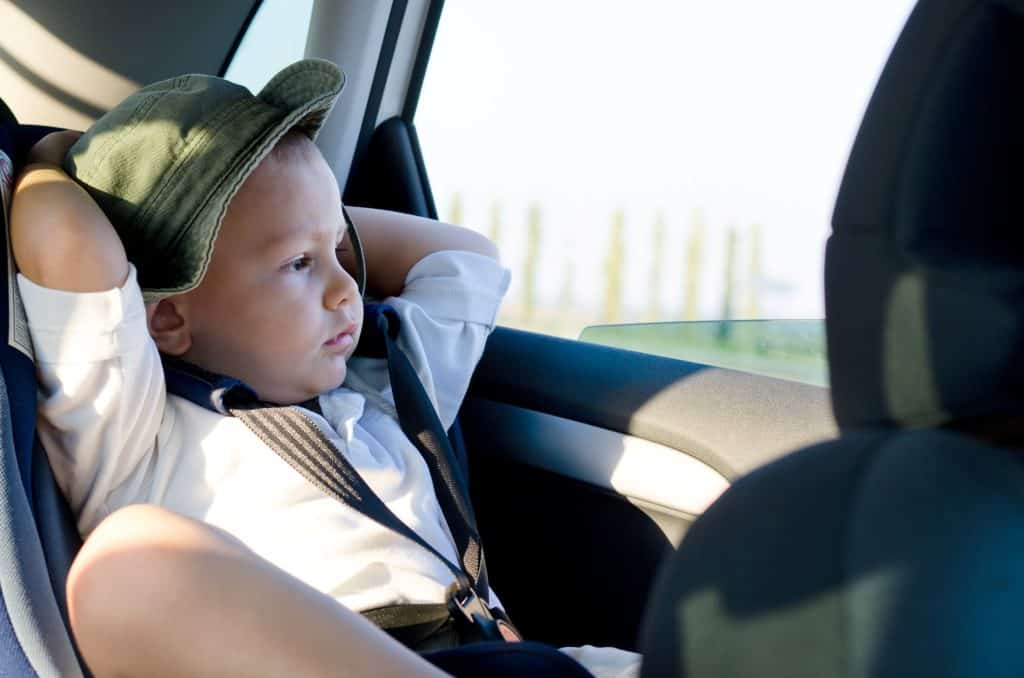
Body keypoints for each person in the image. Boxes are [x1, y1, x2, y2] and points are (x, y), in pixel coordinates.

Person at [9, 59, 640, 677]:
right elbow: (68, 244)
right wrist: (43, 157)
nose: (348, 291)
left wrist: (299, 215)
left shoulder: (381, 394)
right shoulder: (136, 433)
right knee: (125, 563)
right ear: (167, 319)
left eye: (338, 250)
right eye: (299, 265)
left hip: (504, 657)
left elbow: (465, 258)